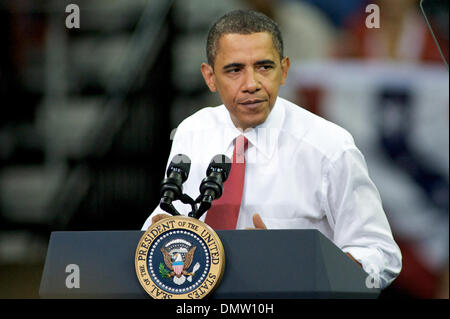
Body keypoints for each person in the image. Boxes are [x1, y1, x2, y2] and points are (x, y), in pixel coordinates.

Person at [142, 9, 402, 289]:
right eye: (234, 70)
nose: (252, 84)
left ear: (285, 70)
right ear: (210, 77)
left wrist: (297, 265)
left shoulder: (330, 147)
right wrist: (155, 234)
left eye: (264, 67)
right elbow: (171, 219)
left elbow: (381, 256)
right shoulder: (192, 131)